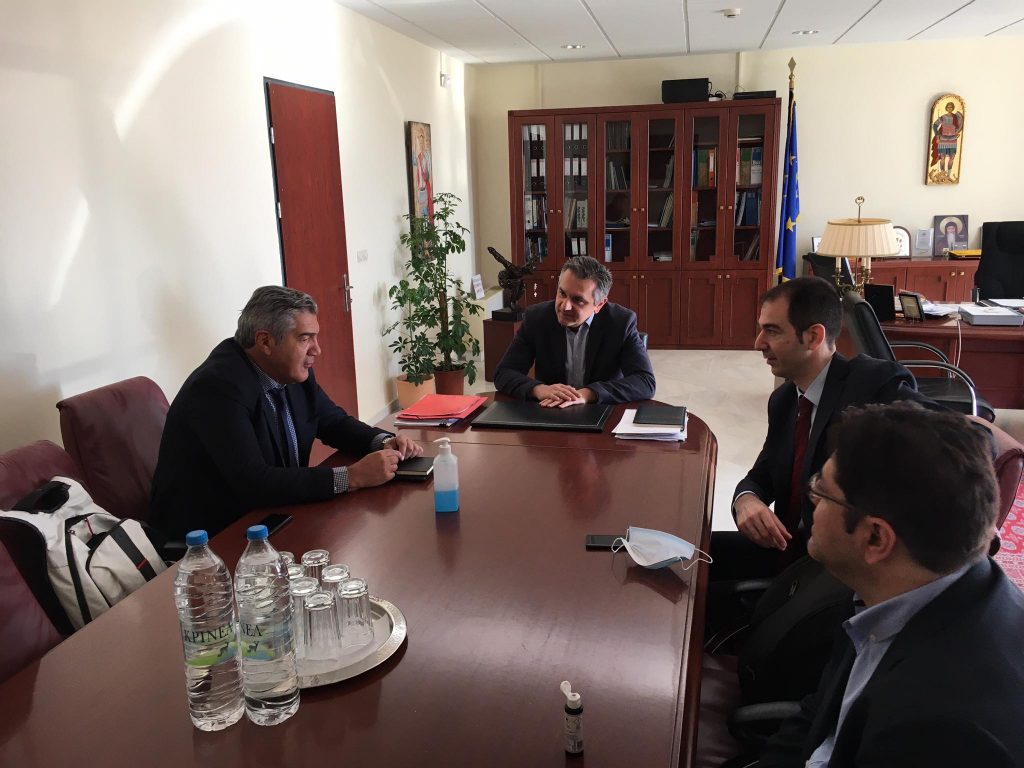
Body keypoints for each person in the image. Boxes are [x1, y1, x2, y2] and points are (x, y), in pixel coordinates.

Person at [758, 403, 1024, 767]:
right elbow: (819, 715)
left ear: (875, 538)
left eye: (822, 491)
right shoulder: (895, 588)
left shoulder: (943, 730)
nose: (812, 499)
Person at [151, 286, 423, 540]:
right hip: (216, 535)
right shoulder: (218, 387)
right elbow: (254, 481)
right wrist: (352, 477)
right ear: (265, 341)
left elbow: (332, 421)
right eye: (305, 339)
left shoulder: (289, 371)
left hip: (273, 514)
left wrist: (383, 441)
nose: (317, 350)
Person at [719, 277, 931, 580]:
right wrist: (746, 499)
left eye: (772, 331)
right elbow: (762, 474)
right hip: (787, 551)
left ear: (813, 337)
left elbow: (968, 439)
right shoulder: (785, 400)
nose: (758, 343)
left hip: (839, 575)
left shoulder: (872, 386)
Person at [493, 255, 655, 406]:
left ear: (599, 304)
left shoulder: (621, 322)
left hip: (600, 409)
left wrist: (587, 394)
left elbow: (645, 382)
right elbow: (504, 373)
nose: (565, 306)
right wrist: (539, 389)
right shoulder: (536, 318)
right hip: (551, 410)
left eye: (578, 300)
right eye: (562, 293)